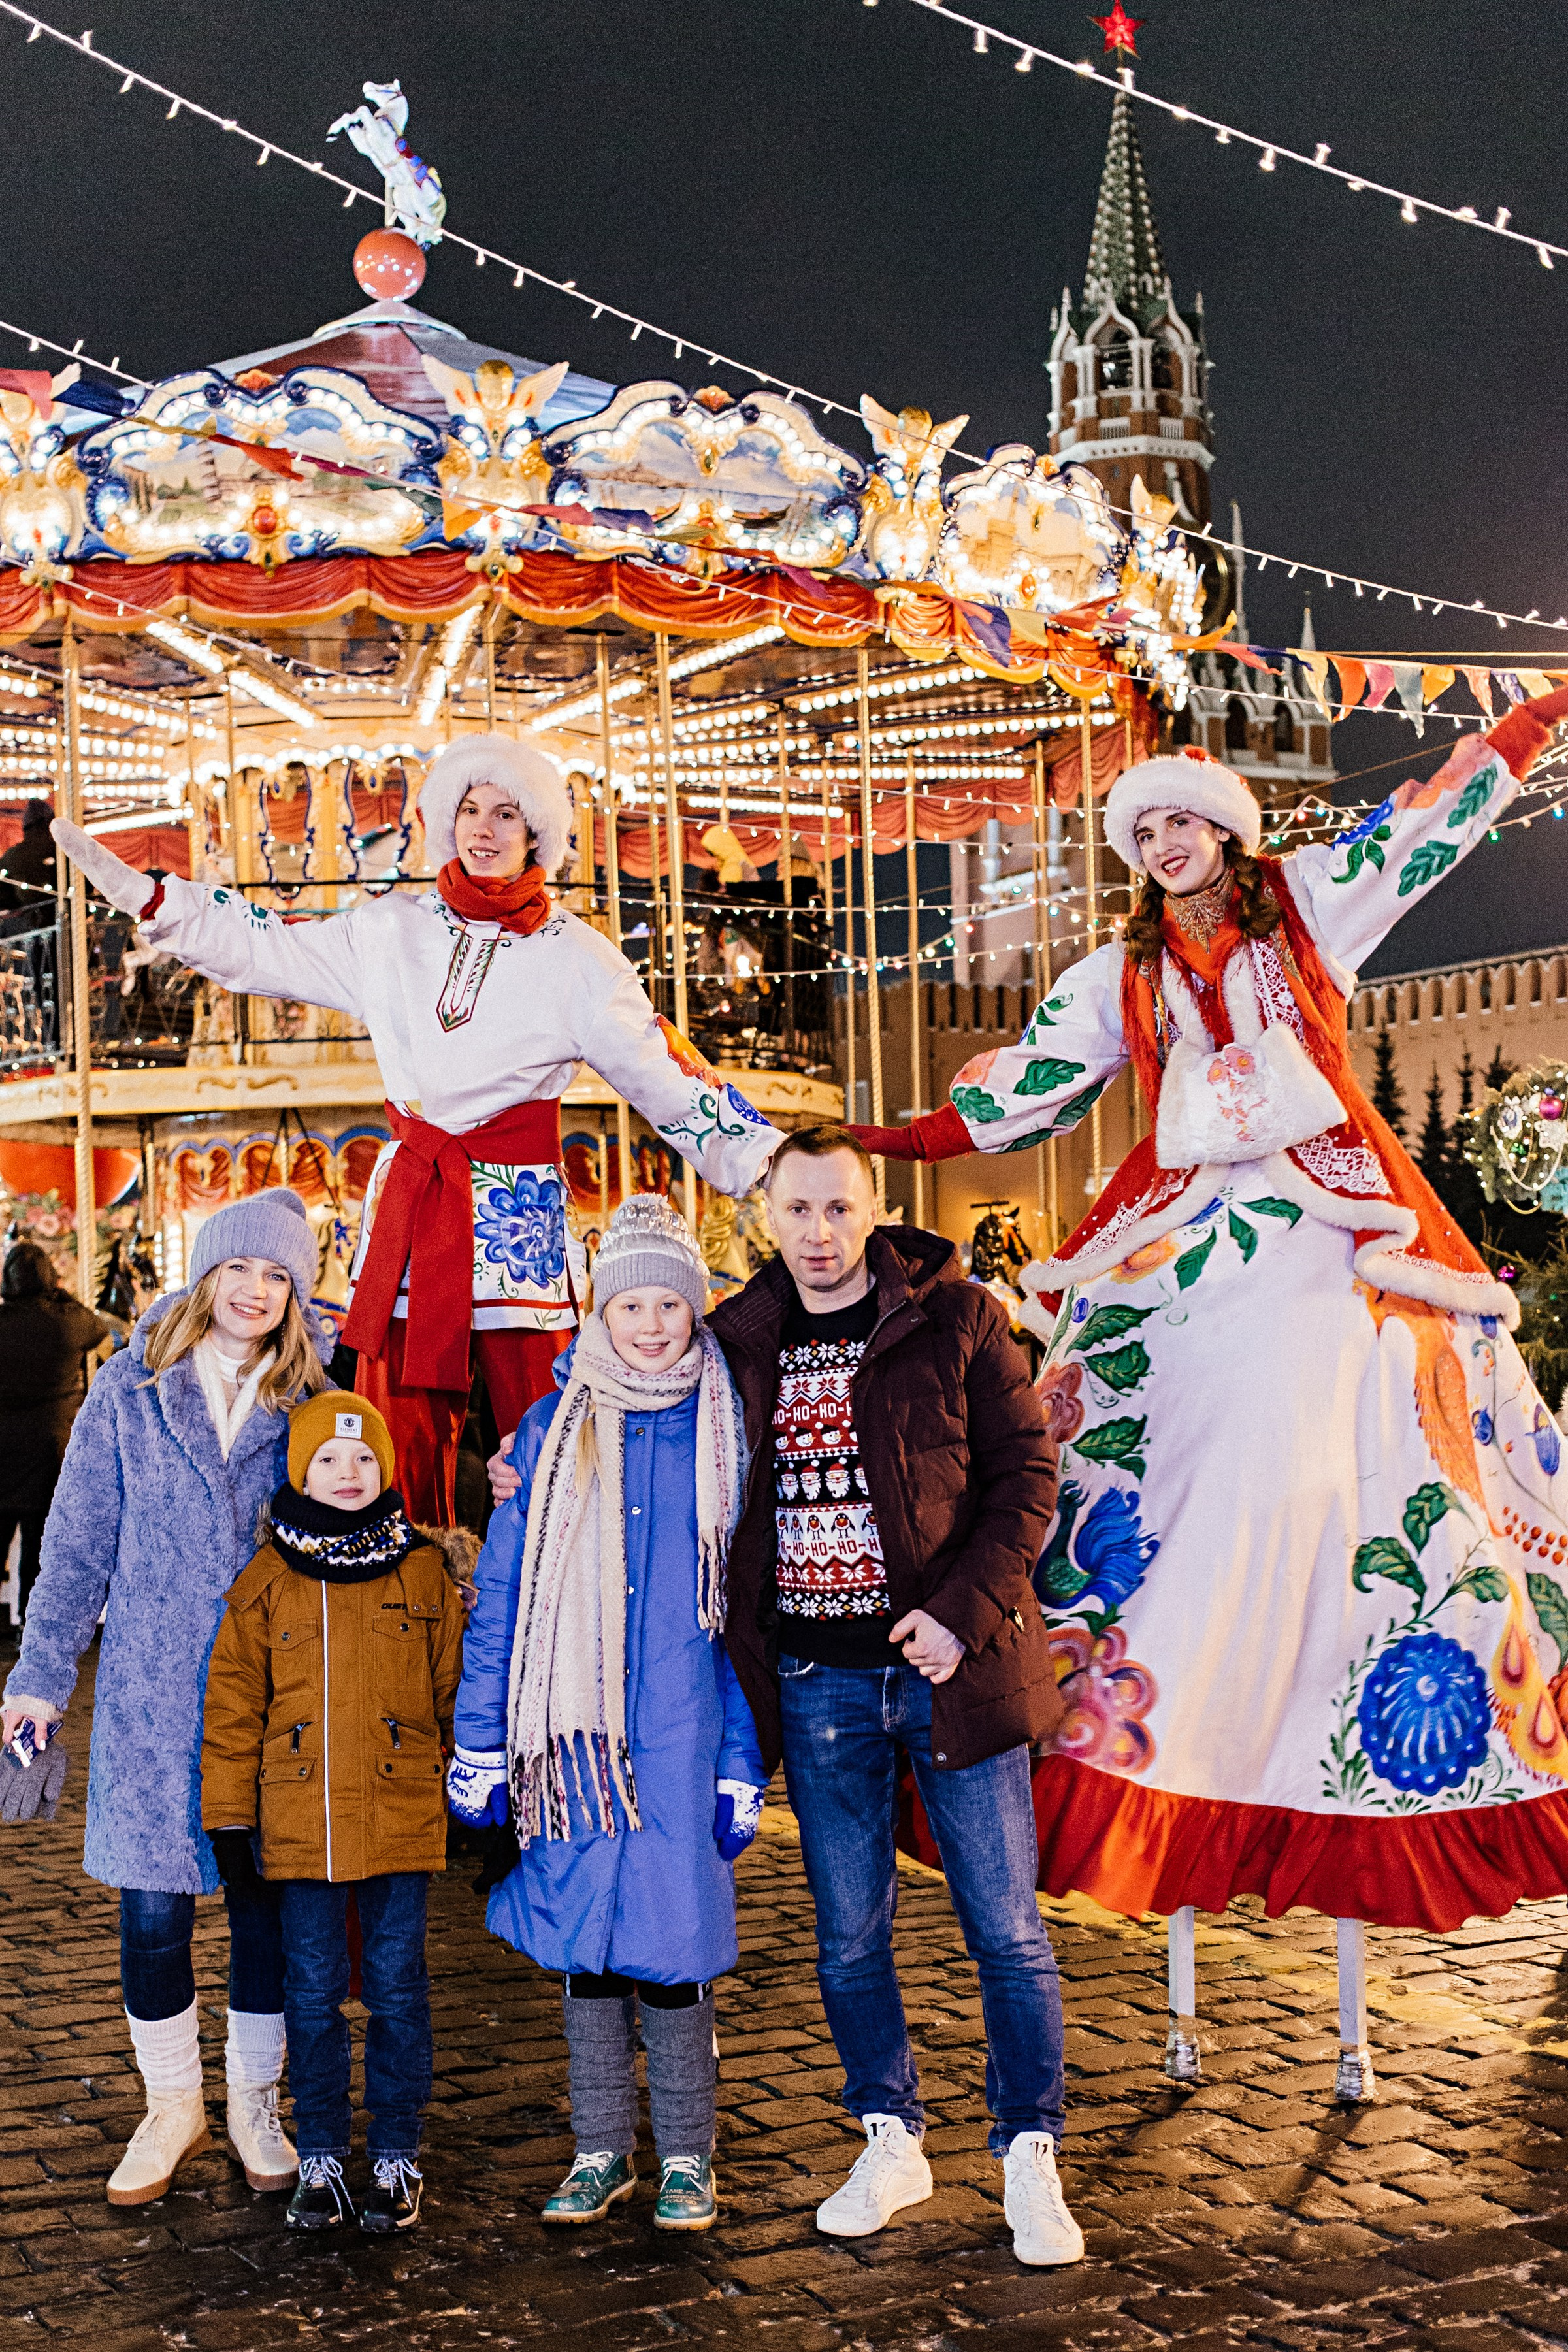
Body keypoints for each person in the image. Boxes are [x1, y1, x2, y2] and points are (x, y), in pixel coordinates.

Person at [849, 688, 1568, 1957]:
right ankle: (1119, 1693)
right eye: (1145, 832)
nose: (1166, 844)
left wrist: (1526, 730)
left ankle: (1384, 1657)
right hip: (1182, 1225)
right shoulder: (1116, 973)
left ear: (1225, 830)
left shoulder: (1306, 902)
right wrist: (879, 1145)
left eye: (1183, 822)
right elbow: (1020, 1097)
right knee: (1122, 1426)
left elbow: (1423, 831)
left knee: (1380, 1402)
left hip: (1334, 1206)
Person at [53, 735, 784, 1527]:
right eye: (471, 809)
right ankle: (399, 1599)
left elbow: (660, 1071)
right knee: (389, 1432)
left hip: (516, 1212)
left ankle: (561, 1599)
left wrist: (769, 1161)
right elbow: (273, 945)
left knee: (551, 1426)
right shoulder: (390, 929)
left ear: (536, 832)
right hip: (412, 1198)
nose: (486, 828)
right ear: (447, 821)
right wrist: (163, 903)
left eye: (507, 813)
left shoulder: (582, 958)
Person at [713, 1128, 1081, 2265]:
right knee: (847, 1936)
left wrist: (959, 1615)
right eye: (797, 1211)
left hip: (952, 1673)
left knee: (1007, 1930)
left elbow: (1027, 1483)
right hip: (820, 1681)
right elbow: (641, 1423)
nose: (817, 1234)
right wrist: (528, 1463)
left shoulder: (958, 1319)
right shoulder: (742, 1339)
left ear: (873, 1210)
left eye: (837, 1209)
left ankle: (1029, 2154)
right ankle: (891, 2136)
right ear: (766, 1217)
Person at [0, 1188, 331, 2205]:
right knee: (153, 1913)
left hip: (271, 1698)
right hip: (149, 1690)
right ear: (207, 1273)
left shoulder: (318, 1400)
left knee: (263, 1910)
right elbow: (78, 1543)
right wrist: (41, 1675)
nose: (256, 1292)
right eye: (241, 1268)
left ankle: (253, 2102)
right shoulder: (128, 1391)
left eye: (279, 1276)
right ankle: (173, 2101)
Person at [455, 1195, 764, 2232]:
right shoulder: (549, 1431)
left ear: (694, 1311)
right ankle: (600, 2149)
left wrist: (740, 1758)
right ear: (600, 1314)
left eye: (666, 1305)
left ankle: (686, 2156)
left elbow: (742, 1618)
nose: (648, 1324)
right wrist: (480, 1742)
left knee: (674, 1959)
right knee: (587, 1956)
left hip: (680, 1738)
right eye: (629, 1303)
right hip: (569, 1741)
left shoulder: (725, 1430)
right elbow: (505, 1594)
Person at [201, 1391, 465, 2236]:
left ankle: (394, 2150)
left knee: (396, 1991)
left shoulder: (422, 1570)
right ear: (299, 1472)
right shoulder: (268, 1581)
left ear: (384, 1469)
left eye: (362, 1460)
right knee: (310, 1997)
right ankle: (319, 2151)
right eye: (328, 1461)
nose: (348, 1475)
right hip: (298, 1833)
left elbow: (455, 1690)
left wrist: (474, 1791)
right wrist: (230, 1822)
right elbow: (234, 1711)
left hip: (401, 1825)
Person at [0, 1239, 110, 1641]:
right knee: (37, 1540)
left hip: (3, 1447)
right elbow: (101, 1330)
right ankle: (30, 1625)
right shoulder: (67, 1320)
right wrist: (61, 1296)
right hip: (48, 1445)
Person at [0, 796, 57, 914]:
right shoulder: (57, 851)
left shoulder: (11, 856)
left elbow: (3, 896)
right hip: (58, 916)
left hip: (25, 923)